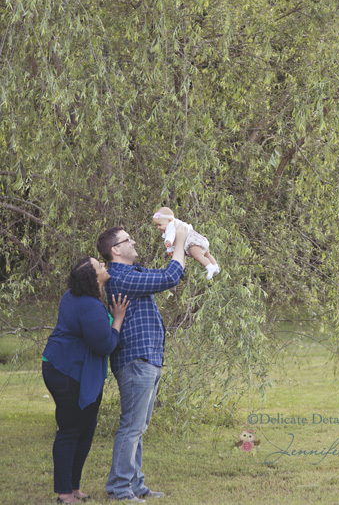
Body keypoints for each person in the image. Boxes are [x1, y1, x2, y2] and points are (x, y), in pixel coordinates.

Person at [97, 226, 187, 502]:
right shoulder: (120, 277)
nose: (133, 242)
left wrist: (177, 248)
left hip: (146, 357)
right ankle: (120, 490)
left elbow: (165, 275)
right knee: (132, 426)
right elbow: (171, 276)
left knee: (139, 426)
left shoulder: (131, 273)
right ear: (116, 250)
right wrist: (181, 241)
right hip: (136, 359)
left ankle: (136, 484)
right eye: (127, 240)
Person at [42, 257, 129, 504]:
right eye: (98, 265)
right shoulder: (89, 306)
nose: (103, 264)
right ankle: (64, 494)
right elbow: (105, 345)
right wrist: (118, 318)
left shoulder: (73, 295)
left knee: (85, 429)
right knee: (70, 431)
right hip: (67, 371)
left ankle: (74, 487)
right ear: (93, 278)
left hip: (67, 367)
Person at [152, 206, 220, 280]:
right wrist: (169, 249)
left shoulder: (171, 225)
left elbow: (170, 235)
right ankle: (216, 266)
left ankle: (209, 267)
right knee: (207, 255)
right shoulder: (177, 223)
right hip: (199, 240)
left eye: (159, 225)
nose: (158, 227)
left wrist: (168, 241)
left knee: (198, 256)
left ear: (169, 220)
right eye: (156, 225)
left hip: (193, 243)